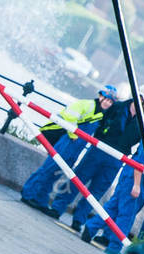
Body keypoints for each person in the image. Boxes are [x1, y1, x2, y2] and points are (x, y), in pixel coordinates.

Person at [55, 86, 144, 228]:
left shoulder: (143, 122)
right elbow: (100, 123)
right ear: (139, 98)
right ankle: (57, 207)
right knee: (78, 179)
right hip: (99, 150)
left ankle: (79, 219)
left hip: (117, 158)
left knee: (98, 190)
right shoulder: (116, 107)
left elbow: (135, 140)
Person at [20, 85, 116, 215]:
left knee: (57, 173)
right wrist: (73, 135)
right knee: (49, 168)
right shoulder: (86, 104)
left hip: (78, 146)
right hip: (68, 141)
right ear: (100, 96)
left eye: (110, 101)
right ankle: (28, 194)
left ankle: (41, 199)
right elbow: (68, 116)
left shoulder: (102, 114)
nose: (107, 103)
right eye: (106, 99)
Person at [82, 119, 144, 244]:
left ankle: (91, 227)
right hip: (134, 179)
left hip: (133, 178)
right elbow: (140, 163)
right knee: (127, 216)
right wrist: (136, 185)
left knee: (113, 207)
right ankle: (115, 247)